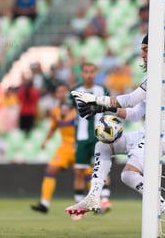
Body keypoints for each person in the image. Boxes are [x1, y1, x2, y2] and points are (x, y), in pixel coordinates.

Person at [66, 25, 165, 238]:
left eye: (146, 49)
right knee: (103, 145)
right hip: (149, 131)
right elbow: (133, 112)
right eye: (141, 49)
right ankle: (94, 195)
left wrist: (97, 102)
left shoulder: (164, 72)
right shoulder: (153, 75)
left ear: (158, 49)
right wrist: (101, 108)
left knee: (128, 174)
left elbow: (130, 99)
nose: (142, 54)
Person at [70, 62, 113, 218]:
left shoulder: (102, 90)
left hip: (98, 136)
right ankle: (79, 208)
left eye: (92, 72)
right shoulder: (75, 91)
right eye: (86, 71)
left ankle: (105, 200)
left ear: (96, 73)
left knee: (102, 168)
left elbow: (110, 108)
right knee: (79, 172)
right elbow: (68, 111)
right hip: (81, 137)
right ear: (82, 73)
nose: (89, 74)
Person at [31, 83, 77, 214]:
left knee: (86, 174)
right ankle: (44, 204)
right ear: (56, 94)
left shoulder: (76, 109)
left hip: (78, 146)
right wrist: (45, 140)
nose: (62, 94)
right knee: (50, 170)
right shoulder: (55, 111)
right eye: (59, 92)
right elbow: (53, 127)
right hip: (65, 147)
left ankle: (99, 203)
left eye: (64, 91)